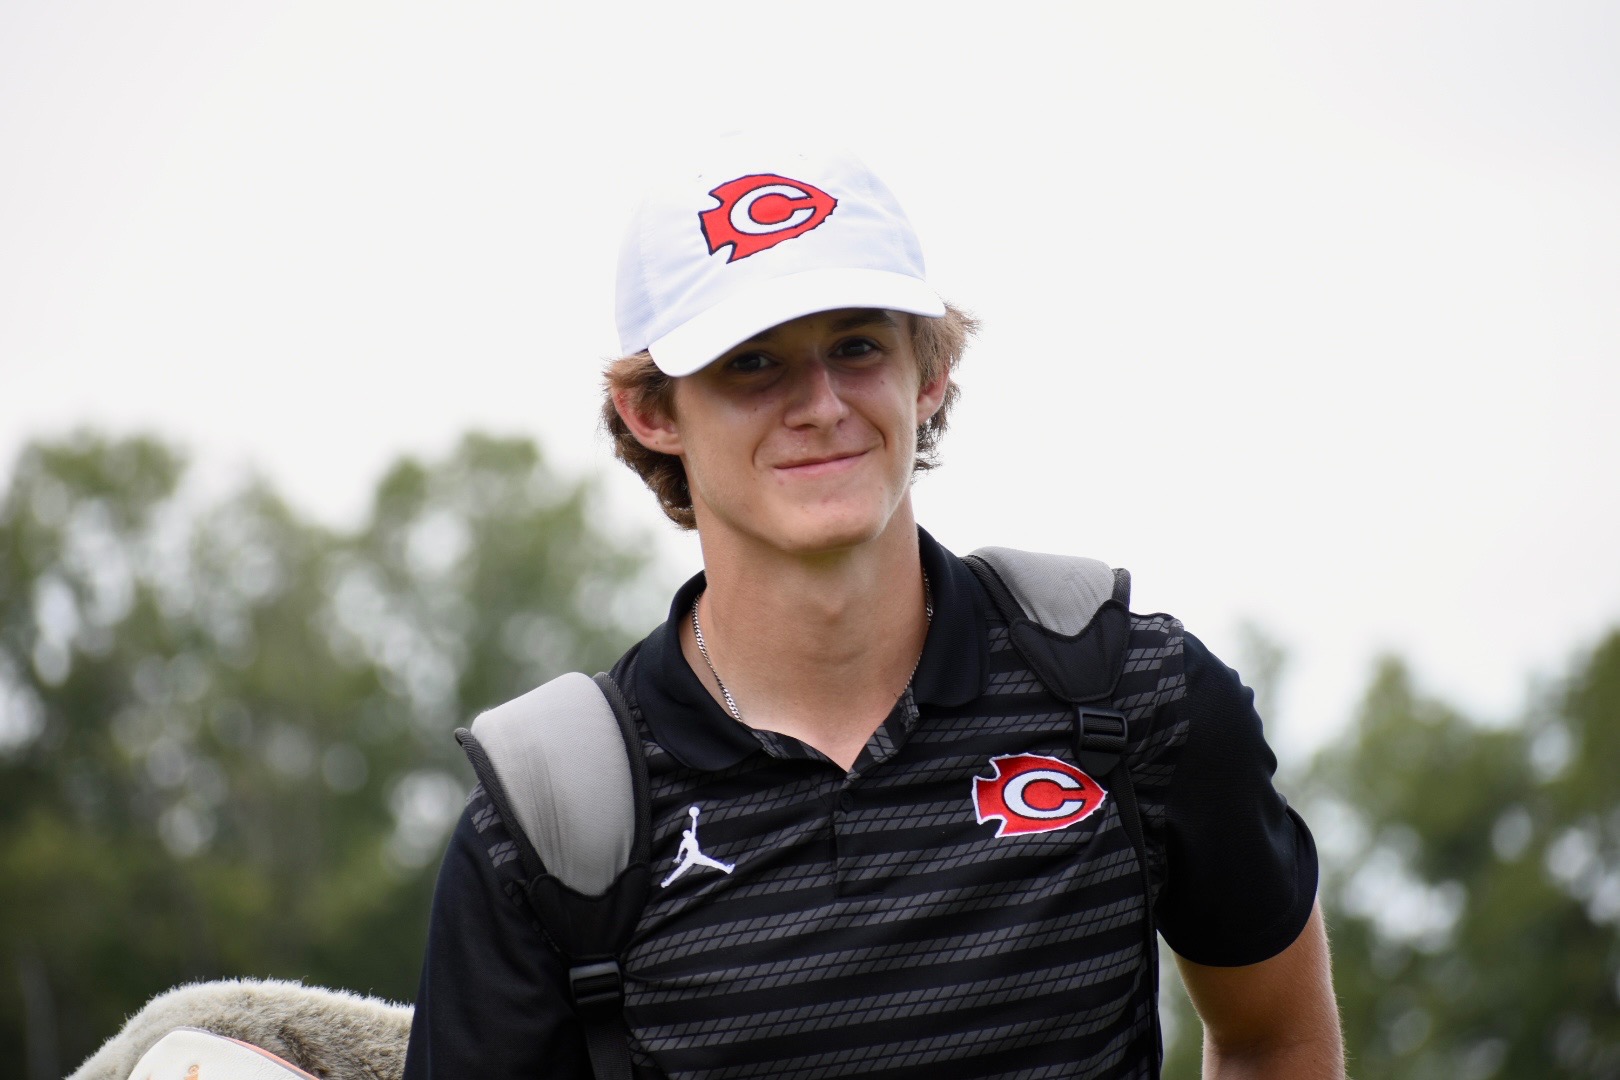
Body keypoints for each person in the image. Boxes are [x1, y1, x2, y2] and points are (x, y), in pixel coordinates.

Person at [404, 138, 1344, 1079]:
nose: (820, 405)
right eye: (752, 363)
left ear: (929, 368)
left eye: (856, 347)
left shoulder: (1127, 693)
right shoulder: (550, 818)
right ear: (651, 411)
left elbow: (1273, 1038)